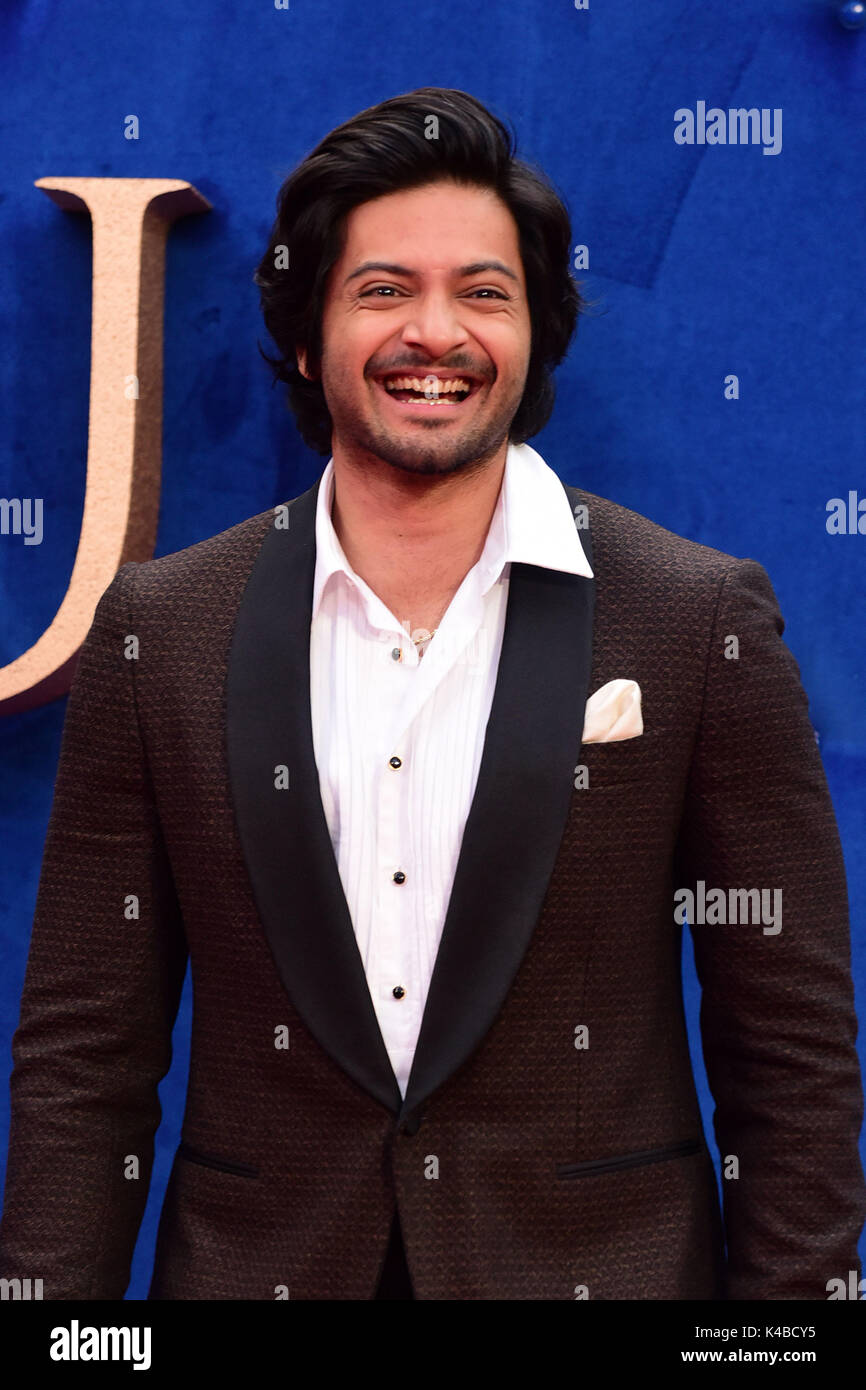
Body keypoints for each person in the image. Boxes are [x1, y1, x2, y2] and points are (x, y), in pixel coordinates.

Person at [1, 86, 863, 1301]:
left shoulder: (693, 619)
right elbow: (85, 1057)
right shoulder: (162, 630)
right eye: (382, 289)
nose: (435, 331)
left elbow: (790, 1060)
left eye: (483, 292)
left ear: (532, 336)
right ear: (306, 338)